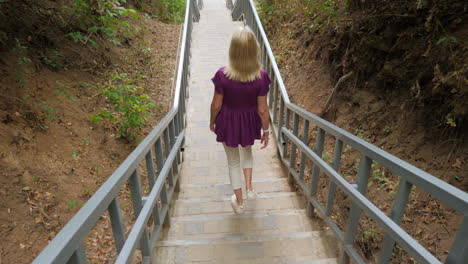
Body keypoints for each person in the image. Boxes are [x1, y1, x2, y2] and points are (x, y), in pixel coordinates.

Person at [209, 26, 271, 214]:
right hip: (248, 122)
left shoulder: (223, 75)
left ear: (233, 50)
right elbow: (262, 109)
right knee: (247, 151)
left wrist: (212, 121)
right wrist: (266, 131)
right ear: (254, 50)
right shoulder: (261, 77)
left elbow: (216, 105)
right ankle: (250, 189)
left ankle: (239, 202)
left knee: (233, 161)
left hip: (228, 121)